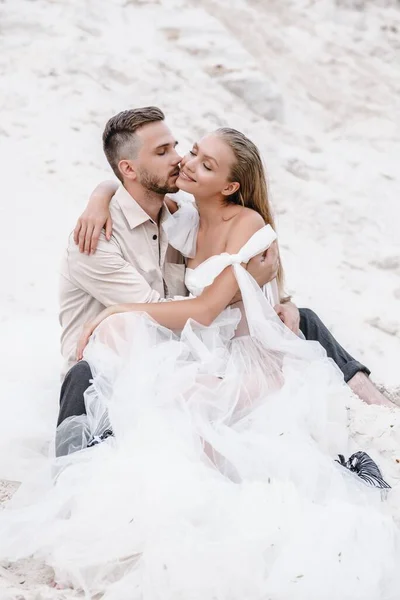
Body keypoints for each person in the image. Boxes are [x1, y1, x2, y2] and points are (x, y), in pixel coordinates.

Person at [0, 117, 399, 599]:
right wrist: (100, 195)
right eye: (167, 152)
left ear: (227, 183)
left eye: (183, 151)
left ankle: (372, 400)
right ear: (130, 168)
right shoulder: (99, 238)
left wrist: (266, 294)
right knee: (116, 385)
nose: (180, 161)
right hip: (109, 363)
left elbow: (196, 307)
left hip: (190, 347)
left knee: (296, 318)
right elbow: (157, 312)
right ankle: (80, 502)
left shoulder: (177, 215)